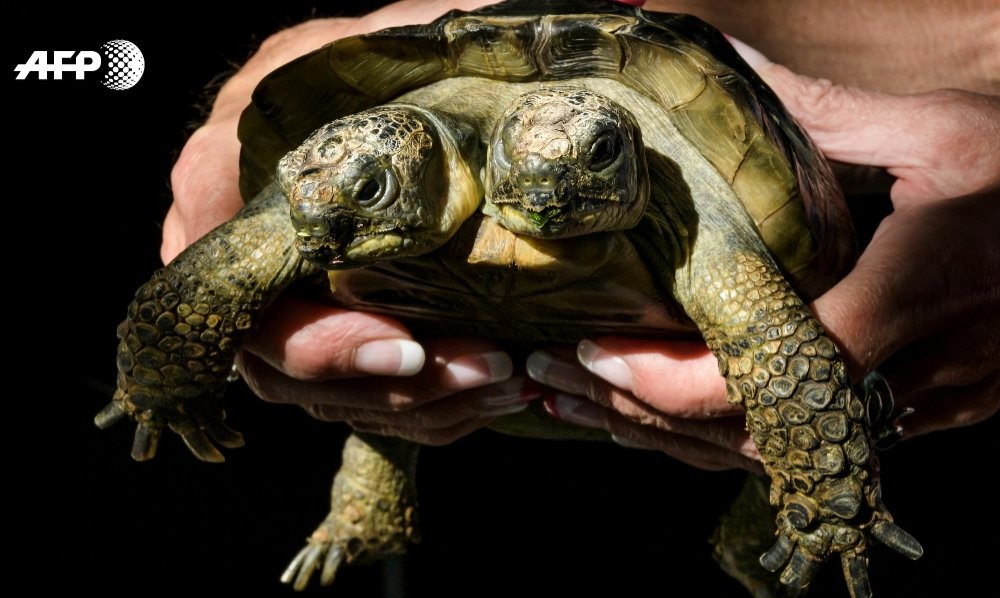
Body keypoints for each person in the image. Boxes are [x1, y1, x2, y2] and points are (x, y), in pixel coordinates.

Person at [161, 0, 1000, 470]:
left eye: (597, 156)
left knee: (785, 389)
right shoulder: (378, 158)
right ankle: (376, 480)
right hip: (459, 394)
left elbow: (783, 354)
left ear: (629, 156)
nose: (546, 186)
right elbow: (219, 269)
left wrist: (824, 470)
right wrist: (169, 366)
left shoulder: (689, 207)